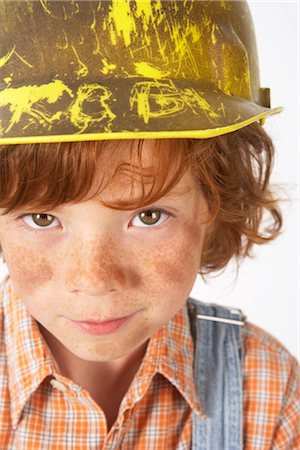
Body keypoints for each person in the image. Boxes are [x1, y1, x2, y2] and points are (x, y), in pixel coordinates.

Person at [0, 1, 298, 449]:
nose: (94, 281)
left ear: (216, 202)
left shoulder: (269, 392)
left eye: (148, 216)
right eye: (43, 218)